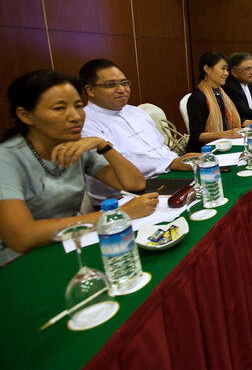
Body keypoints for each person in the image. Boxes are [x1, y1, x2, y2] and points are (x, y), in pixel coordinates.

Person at [0, 71, 158, 266]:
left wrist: (102, 144)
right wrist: (117, 215)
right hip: (20, 261)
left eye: (77, 106)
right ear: (25, 115)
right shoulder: (6, 159)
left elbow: (134, 183)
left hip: (71, 243)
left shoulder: (76, 146)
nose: (75, 116)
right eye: (59, 108)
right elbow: (21, 237)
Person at [79, 59, 199, 204]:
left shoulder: (137, 112)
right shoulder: (85, 124)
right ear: (90, 90)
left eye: (124, 83)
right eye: (111, 85)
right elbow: (119, 164)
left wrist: (178, 161)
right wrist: (171, 163)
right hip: (124, 198)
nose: (121, 89)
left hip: (171, 177)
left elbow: (161, 148)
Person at [186, 51, 252, 153]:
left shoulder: (221, 93)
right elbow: (196, 135)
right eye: (222, 69)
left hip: (226, 145)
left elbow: (231, 118)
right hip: (205, 152)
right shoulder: (198, 97)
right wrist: (225, 134)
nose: (226, 73)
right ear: (207, 69)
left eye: (227, 69)